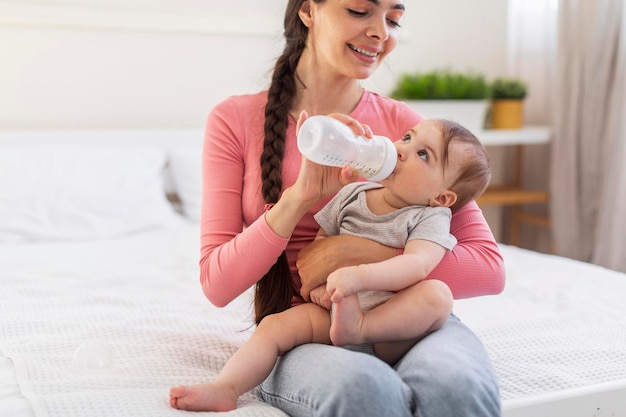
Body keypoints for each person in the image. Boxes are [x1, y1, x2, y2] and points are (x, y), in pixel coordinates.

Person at [172, 0, 505, 416]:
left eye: (394, 19)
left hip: (405, 317)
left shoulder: (411, 134)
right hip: (309, 323)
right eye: (361, 11)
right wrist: (298, 198)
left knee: (458, 387)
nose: (381, 32)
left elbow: (489, 269)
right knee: (365, 388)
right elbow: (217, 284)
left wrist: (356, 254)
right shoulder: (235, 120)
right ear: (309, 11)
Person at [169, 117, 492, 412]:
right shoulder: (354, 193)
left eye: (424, 155)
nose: (402, 150)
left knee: (437, 295)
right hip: (335, 313)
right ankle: (226, 386)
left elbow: (418, 265)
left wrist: (359, 275)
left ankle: (362, 328)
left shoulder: (430, 217)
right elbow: (321, 246)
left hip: (394, 324)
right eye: (407, 138)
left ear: (442, 197)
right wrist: (323, 288)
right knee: (274, 327)